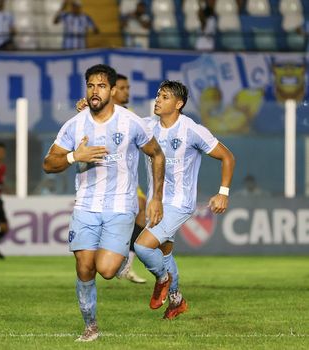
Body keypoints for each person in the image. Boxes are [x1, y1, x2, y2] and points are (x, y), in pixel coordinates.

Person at [43, 64, 165, 341]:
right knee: (84, 267)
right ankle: (91, 327)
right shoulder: (74, 125)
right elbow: (49, 163)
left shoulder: (131, 122)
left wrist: (156, 197)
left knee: (107, 270)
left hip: (121, 206)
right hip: (85, 206)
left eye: (100, 85)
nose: (95, 90)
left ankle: (120, 259)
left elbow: (157, 154)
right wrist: (75, 156)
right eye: (90, 85)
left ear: (111, 90)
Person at [134, 80, 235, 320]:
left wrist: (223, 192)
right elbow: (119, 120)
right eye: (158, 95)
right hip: (156, 203)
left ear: (179, 104)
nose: (158, 100)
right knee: (165, 253)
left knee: (142, 246)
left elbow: (228, 157)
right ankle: (177, 301)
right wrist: (89, 109)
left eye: (165, 97)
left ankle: (163, 279)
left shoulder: (192, 130)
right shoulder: (147, 127)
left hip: (179, 203)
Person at [76, 73, 147, 283]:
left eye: (128, 88)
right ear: (112, 90)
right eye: (123, 88)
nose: (126, 92)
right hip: (98, 179)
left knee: (141, 211)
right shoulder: (92, 113)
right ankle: (116, 258)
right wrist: (83, 111)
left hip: (124, 178)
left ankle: (125, 262)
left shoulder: (130, 115)